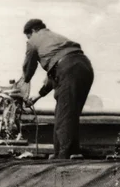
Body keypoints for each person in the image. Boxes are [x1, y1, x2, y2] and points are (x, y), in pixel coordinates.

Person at [22, 19, 94, 159]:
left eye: (28, 36)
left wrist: (24, 81)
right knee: (69, 112)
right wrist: (38, 95)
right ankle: (69, 152)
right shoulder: (56, 39)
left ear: (32, 31)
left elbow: (29, 67)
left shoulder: (33, 40)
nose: (28, 39)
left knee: (64, 115)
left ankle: (63, 157)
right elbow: (57, 70)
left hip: (69, 70)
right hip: (84, 67)